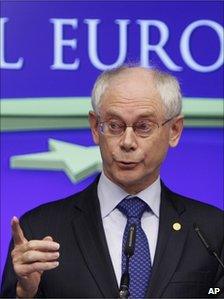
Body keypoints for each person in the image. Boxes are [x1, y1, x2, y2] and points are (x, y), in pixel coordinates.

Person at [1, 65, 223, 298]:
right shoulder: (40, 230)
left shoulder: (211, 232)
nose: (127, 142)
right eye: (114, 126)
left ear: (174, 130)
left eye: (143, 126)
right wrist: (24, 293)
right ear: (96, 128)